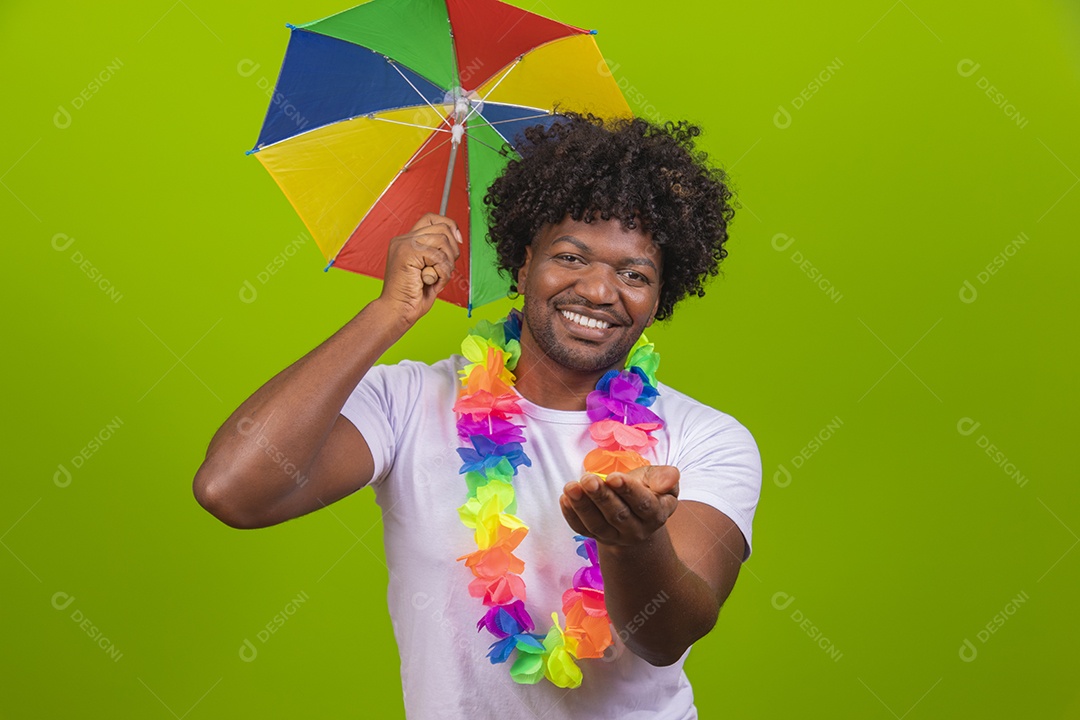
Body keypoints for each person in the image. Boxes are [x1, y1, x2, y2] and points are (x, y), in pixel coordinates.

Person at [193, 112, 761, 719]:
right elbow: (233, 490)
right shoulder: (408, 402)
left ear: (659, 299)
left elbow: (666, 635)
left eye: (633, 274)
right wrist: (390, 314)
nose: (599, 290)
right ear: (522, 265)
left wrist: (633, 542)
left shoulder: (707, 438)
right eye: (570, 257)